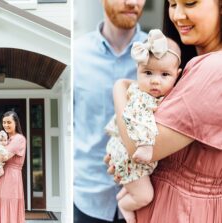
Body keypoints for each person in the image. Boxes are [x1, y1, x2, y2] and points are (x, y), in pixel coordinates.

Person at [106, 0, 222, 222]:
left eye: (190, 3)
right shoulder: (194, 64)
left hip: (183, 211)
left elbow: (135, 144)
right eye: (172, 4)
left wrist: (119, 88)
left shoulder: (214, 69)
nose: (178, 15)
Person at [74, 0, 147, 222]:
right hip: (88, 200)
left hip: (146, 201)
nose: (132, 2)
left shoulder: (162, 55)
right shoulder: (76, 54)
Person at [105, 29, 181, 223]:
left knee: (139, 188)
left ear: (177, 75)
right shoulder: (141, 96)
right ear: (137, 71)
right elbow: (138, 120)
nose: (155, 80)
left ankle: (124, 196)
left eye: (165, 74)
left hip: (128, 154)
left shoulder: (161, 96)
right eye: (147, 73)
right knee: (145, 196)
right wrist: (146, 146)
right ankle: (125, 205)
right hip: (129, 154)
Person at [0, 111, 26, 223]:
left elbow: (2, 157)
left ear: (16, 123)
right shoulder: (6, 139)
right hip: (0, 177)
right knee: (0, 204)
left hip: (11, 178)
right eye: (4, 122)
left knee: (9, 204)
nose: (6, 125)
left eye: (9, 122)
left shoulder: (19, 139)